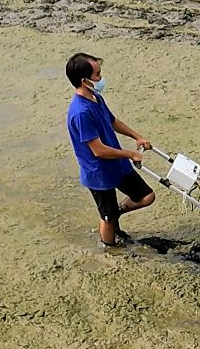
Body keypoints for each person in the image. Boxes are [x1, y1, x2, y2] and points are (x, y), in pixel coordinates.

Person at [65, 52, 155, 248]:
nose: (101, 78)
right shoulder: (81, 113)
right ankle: (109, 248)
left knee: (147, 196)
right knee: (107, 218)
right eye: (97, 75)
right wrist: (130, 153)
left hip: (117, 164)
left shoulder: (96, 98)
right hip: (99, 174)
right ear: (84, 80)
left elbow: (112, 121)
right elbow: (98, 151)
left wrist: (137, 136)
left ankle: (117, 212)